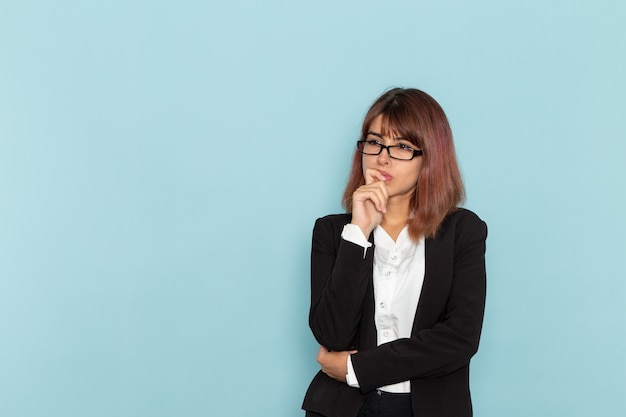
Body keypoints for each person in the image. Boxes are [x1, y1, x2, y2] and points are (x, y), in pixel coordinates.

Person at [301, 88, 487, 417]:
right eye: (374, 143)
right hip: (345, 409)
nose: (382, 157)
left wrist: (357, 368)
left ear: (429, 156)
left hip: (431, 408)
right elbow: (332, 333)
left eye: (401, 146)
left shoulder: (463, 231)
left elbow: (460, 338)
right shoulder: (334, 233)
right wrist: (359, 232)